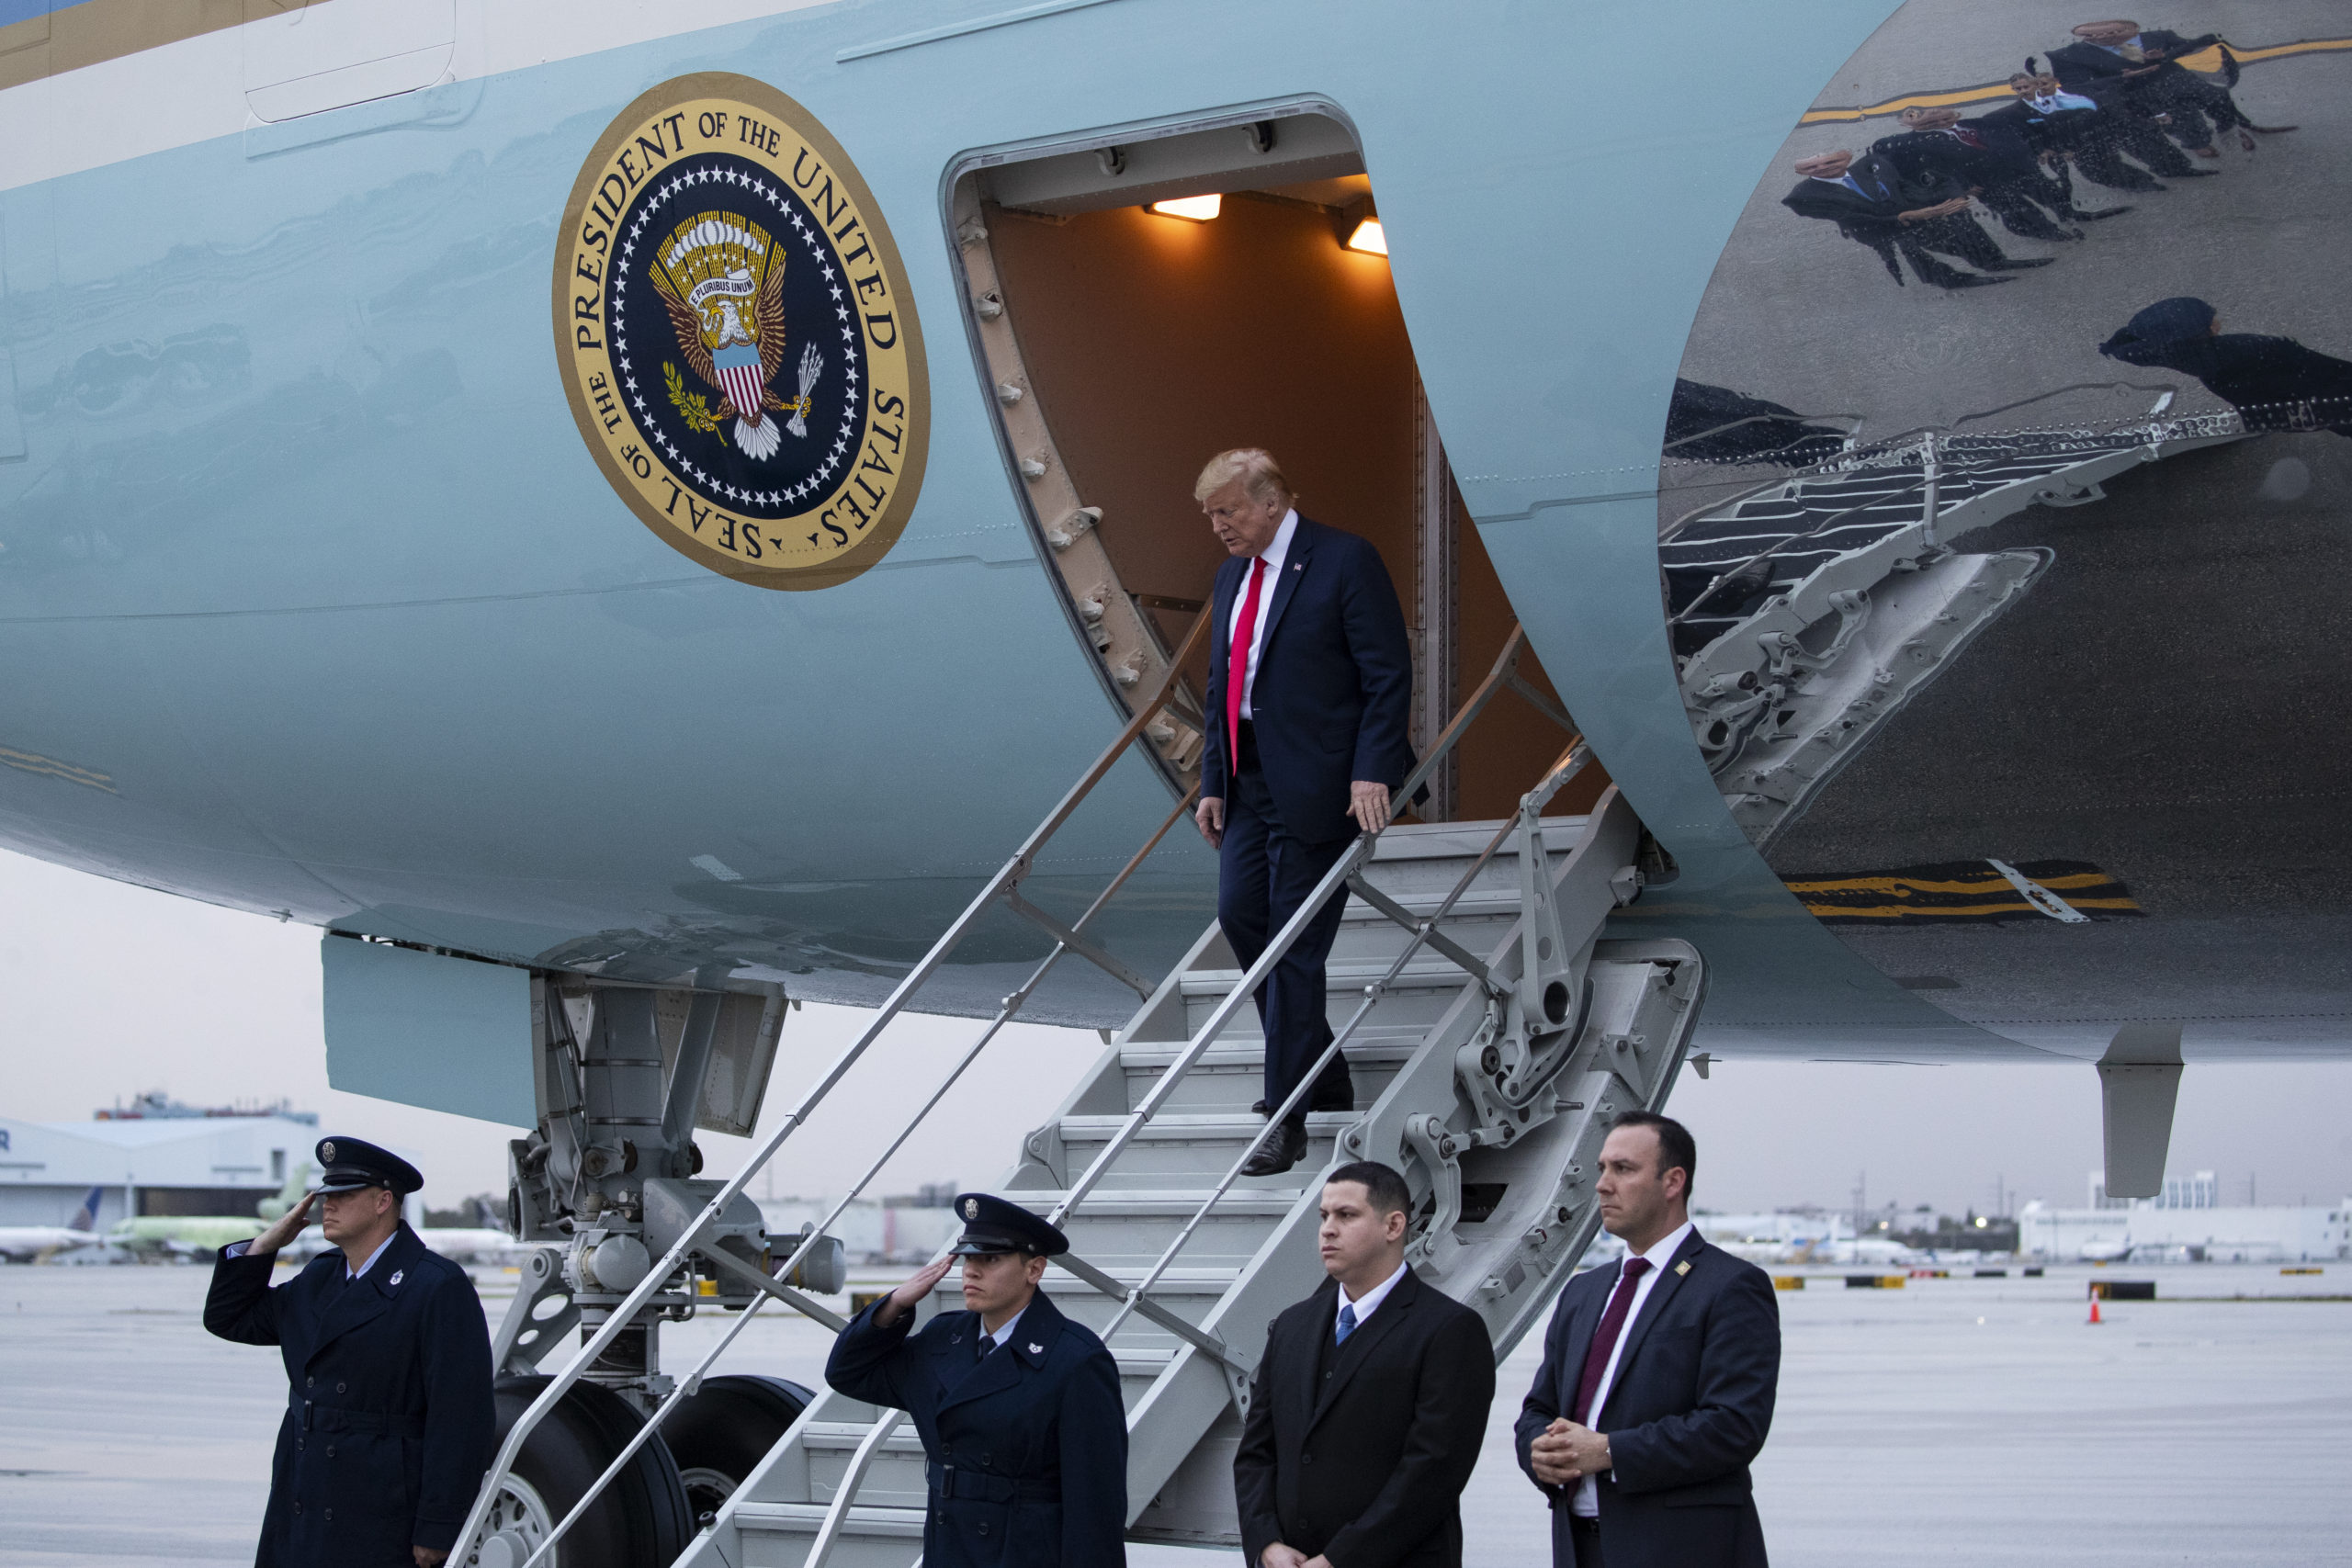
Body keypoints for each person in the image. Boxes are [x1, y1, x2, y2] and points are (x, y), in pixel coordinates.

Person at [1193, 448, 1416, 1177]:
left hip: (1321, 784)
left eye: (1226, 510)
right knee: (1241, 918)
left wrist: (1370, 772)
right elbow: (1222, 682)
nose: (1217, 525)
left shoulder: (1344, 560)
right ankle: (1325, 1068)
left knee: (1294, 946)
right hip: (1250, 778)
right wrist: (1213, 779)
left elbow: (1387, 674)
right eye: (1210, 514)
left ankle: (1284, 1116)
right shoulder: (1232, 575)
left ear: (1271, 502)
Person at [204, 1137, 495, 1568]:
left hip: (381, 1505)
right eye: (325, 1195)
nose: (327, 1205)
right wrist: (268, 1243)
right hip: (304, 1494)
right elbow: (228, 1318)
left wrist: (439, 1525)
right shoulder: (319, 1277)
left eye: (343, 1195)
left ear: (383, 1201)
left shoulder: (436, 1286)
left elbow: (461, 1418)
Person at [1515, 1113, 1780, 1568]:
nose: (1602, 1184)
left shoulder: (1731, 1286)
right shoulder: (1584, 1291)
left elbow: (1734, 1426)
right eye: (1602, 1168)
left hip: (1681, 1549)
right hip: (1580, 1548)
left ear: (1673, 1181)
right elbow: (1539, 1408)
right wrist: (1540, 1449)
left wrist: (1608, 1451)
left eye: (1623, 1169)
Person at [825, 1192, 1127, 1567]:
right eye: (969, 1257)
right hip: (948, 1551)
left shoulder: (1075, 1360)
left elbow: (1095, 1510)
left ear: (1034, 1270)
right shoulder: (941, 1341)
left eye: (991, 1259)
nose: (972, 1270)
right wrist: (896, 1304)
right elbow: (847, 1372)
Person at [1233, 1161, 1495, 1568]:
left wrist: (1341, 1559)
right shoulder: (1291, 1326)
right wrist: (1266, 1542)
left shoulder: (1450, 1330)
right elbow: (1256, 1452)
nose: (1327, 1229)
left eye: (1346, 1215)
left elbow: (1433, 1473)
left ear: (1393, 1227)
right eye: (1324, 1216)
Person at [1781, 149, 2049, 290]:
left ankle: (1993, 261)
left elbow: (1901, 187)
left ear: (1845, 158)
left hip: (1911, 214)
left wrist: (1940, 202)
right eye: (1811, 168)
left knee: (1958, 223)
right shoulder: (1803, 196)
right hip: (1875, 228)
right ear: (1800, 172)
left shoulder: (1867, 166)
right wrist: (1903, 216)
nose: (1823, 169)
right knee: (1909, 245)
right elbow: (1852, 217)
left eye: (1830, 163)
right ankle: (1949, 280)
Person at [2099, 296, 2352, 435]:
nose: (2218, 320)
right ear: (2199, 331)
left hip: (2268, 408)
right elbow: (2311, 364)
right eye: (2211, 318)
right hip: (2304, 393)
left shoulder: (2180, 355)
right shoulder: (2245, 348)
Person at [1871, 104, 2117, 241]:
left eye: (1939, 114)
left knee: (2049, 192)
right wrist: (1963, 187)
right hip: (1982, 181)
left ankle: (2072, 214)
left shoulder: (1978, 124)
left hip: (2015, 169)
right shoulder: (1915, 143)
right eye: (1926, 118)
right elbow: (1926, 166)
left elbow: (2011, 138)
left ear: (1954, 113)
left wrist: (2033, 154)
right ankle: (2046, 231)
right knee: (2016, 208)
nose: (1935, 118)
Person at [2049, 21, 2293, 156]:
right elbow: (2076, 85)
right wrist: (2122, 77)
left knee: (2219, 99)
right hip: (2139, 94)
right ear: (2086, 39)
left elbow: (2191, 47)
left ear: (2130, 29)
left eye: (2115, 31)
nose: (2108, 36)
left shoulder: (2158, 36)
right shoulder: (2068, 56)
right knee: (2183, 121)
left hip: (2180, 80)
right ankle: (2198, 145)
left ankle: (2234, 128)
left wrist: (2165, 54)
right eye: (2098, 35)